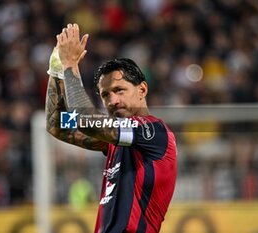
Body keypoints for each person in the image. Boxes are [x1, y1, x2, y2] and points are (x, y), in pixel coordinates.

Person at [45, 23, 177, 233]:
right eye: (105, 95)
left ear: (142, 89)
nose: (113, 100)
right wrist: (57, 69)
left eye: (119, 90)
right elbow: (58, 125)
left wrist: (70, 65)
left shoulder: (153, 132)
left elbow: (84, 120)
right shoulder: (115, 142)